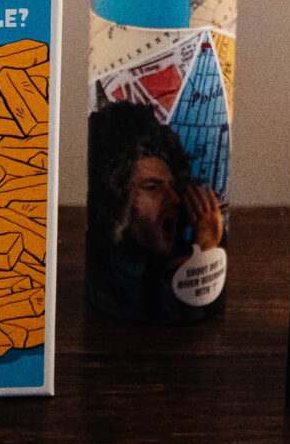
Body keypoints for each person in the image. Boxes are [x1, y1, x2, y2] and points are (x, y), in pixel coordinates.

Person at [85, 101, 223, 323]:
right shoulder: (102, 283)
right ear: (114, 198)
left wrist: (204, 255)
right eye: (152, 186)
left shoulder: (162, 276)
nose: (175, 198)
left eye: (172, 186)